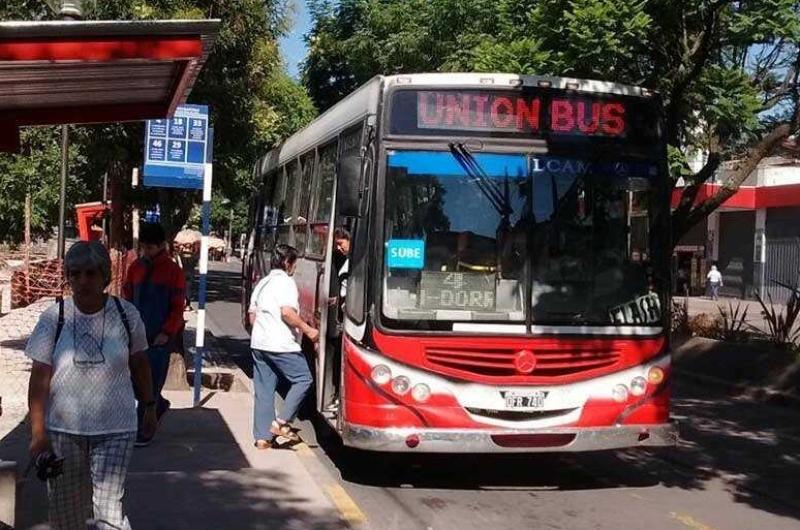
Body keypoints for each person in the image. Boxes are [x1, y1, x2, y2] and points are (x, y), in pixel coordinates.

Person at [26, 241, 155, 530]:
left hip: (116, 428)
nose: (82, 281)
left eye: (90, 273)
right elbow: (39, 378)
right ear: (68, 277)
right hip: (63, 431)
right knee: (65, 514)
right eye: (75, 274)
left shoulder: (126, 314)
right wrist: (37, 432)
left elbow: (140, 364)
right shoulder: (54, 317)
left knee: (108, 509)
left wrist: (149, 407)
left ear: (104, 277)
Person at [248, 244, 319, 448]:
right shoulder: (286, 283)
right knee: (303, 379)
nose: (294, 268)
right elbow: (287, 312)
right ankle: (282, 422)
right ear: (287, 262)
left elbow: (252, 316)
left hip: (259, 344)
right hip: (280, 344)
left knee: (263, 391)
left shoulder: (262, 283)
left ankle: (262, 438)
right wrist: (308, 330)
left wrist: (263, 332)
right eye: (294, 263)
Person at [122, 223, 185, 446]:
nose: (146, 252)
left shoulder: (173, 272)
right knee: (135, 381)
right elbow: (127, 297)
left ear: (161, 246)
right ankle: (157, 408)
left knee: (153, 382)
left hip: (160, 336)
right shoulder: (136, 268)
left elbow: (178, 306)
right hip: (136, 333)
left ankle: (145, 427)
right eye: (144, 247)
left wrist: (167, 332)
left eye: (151, 247)